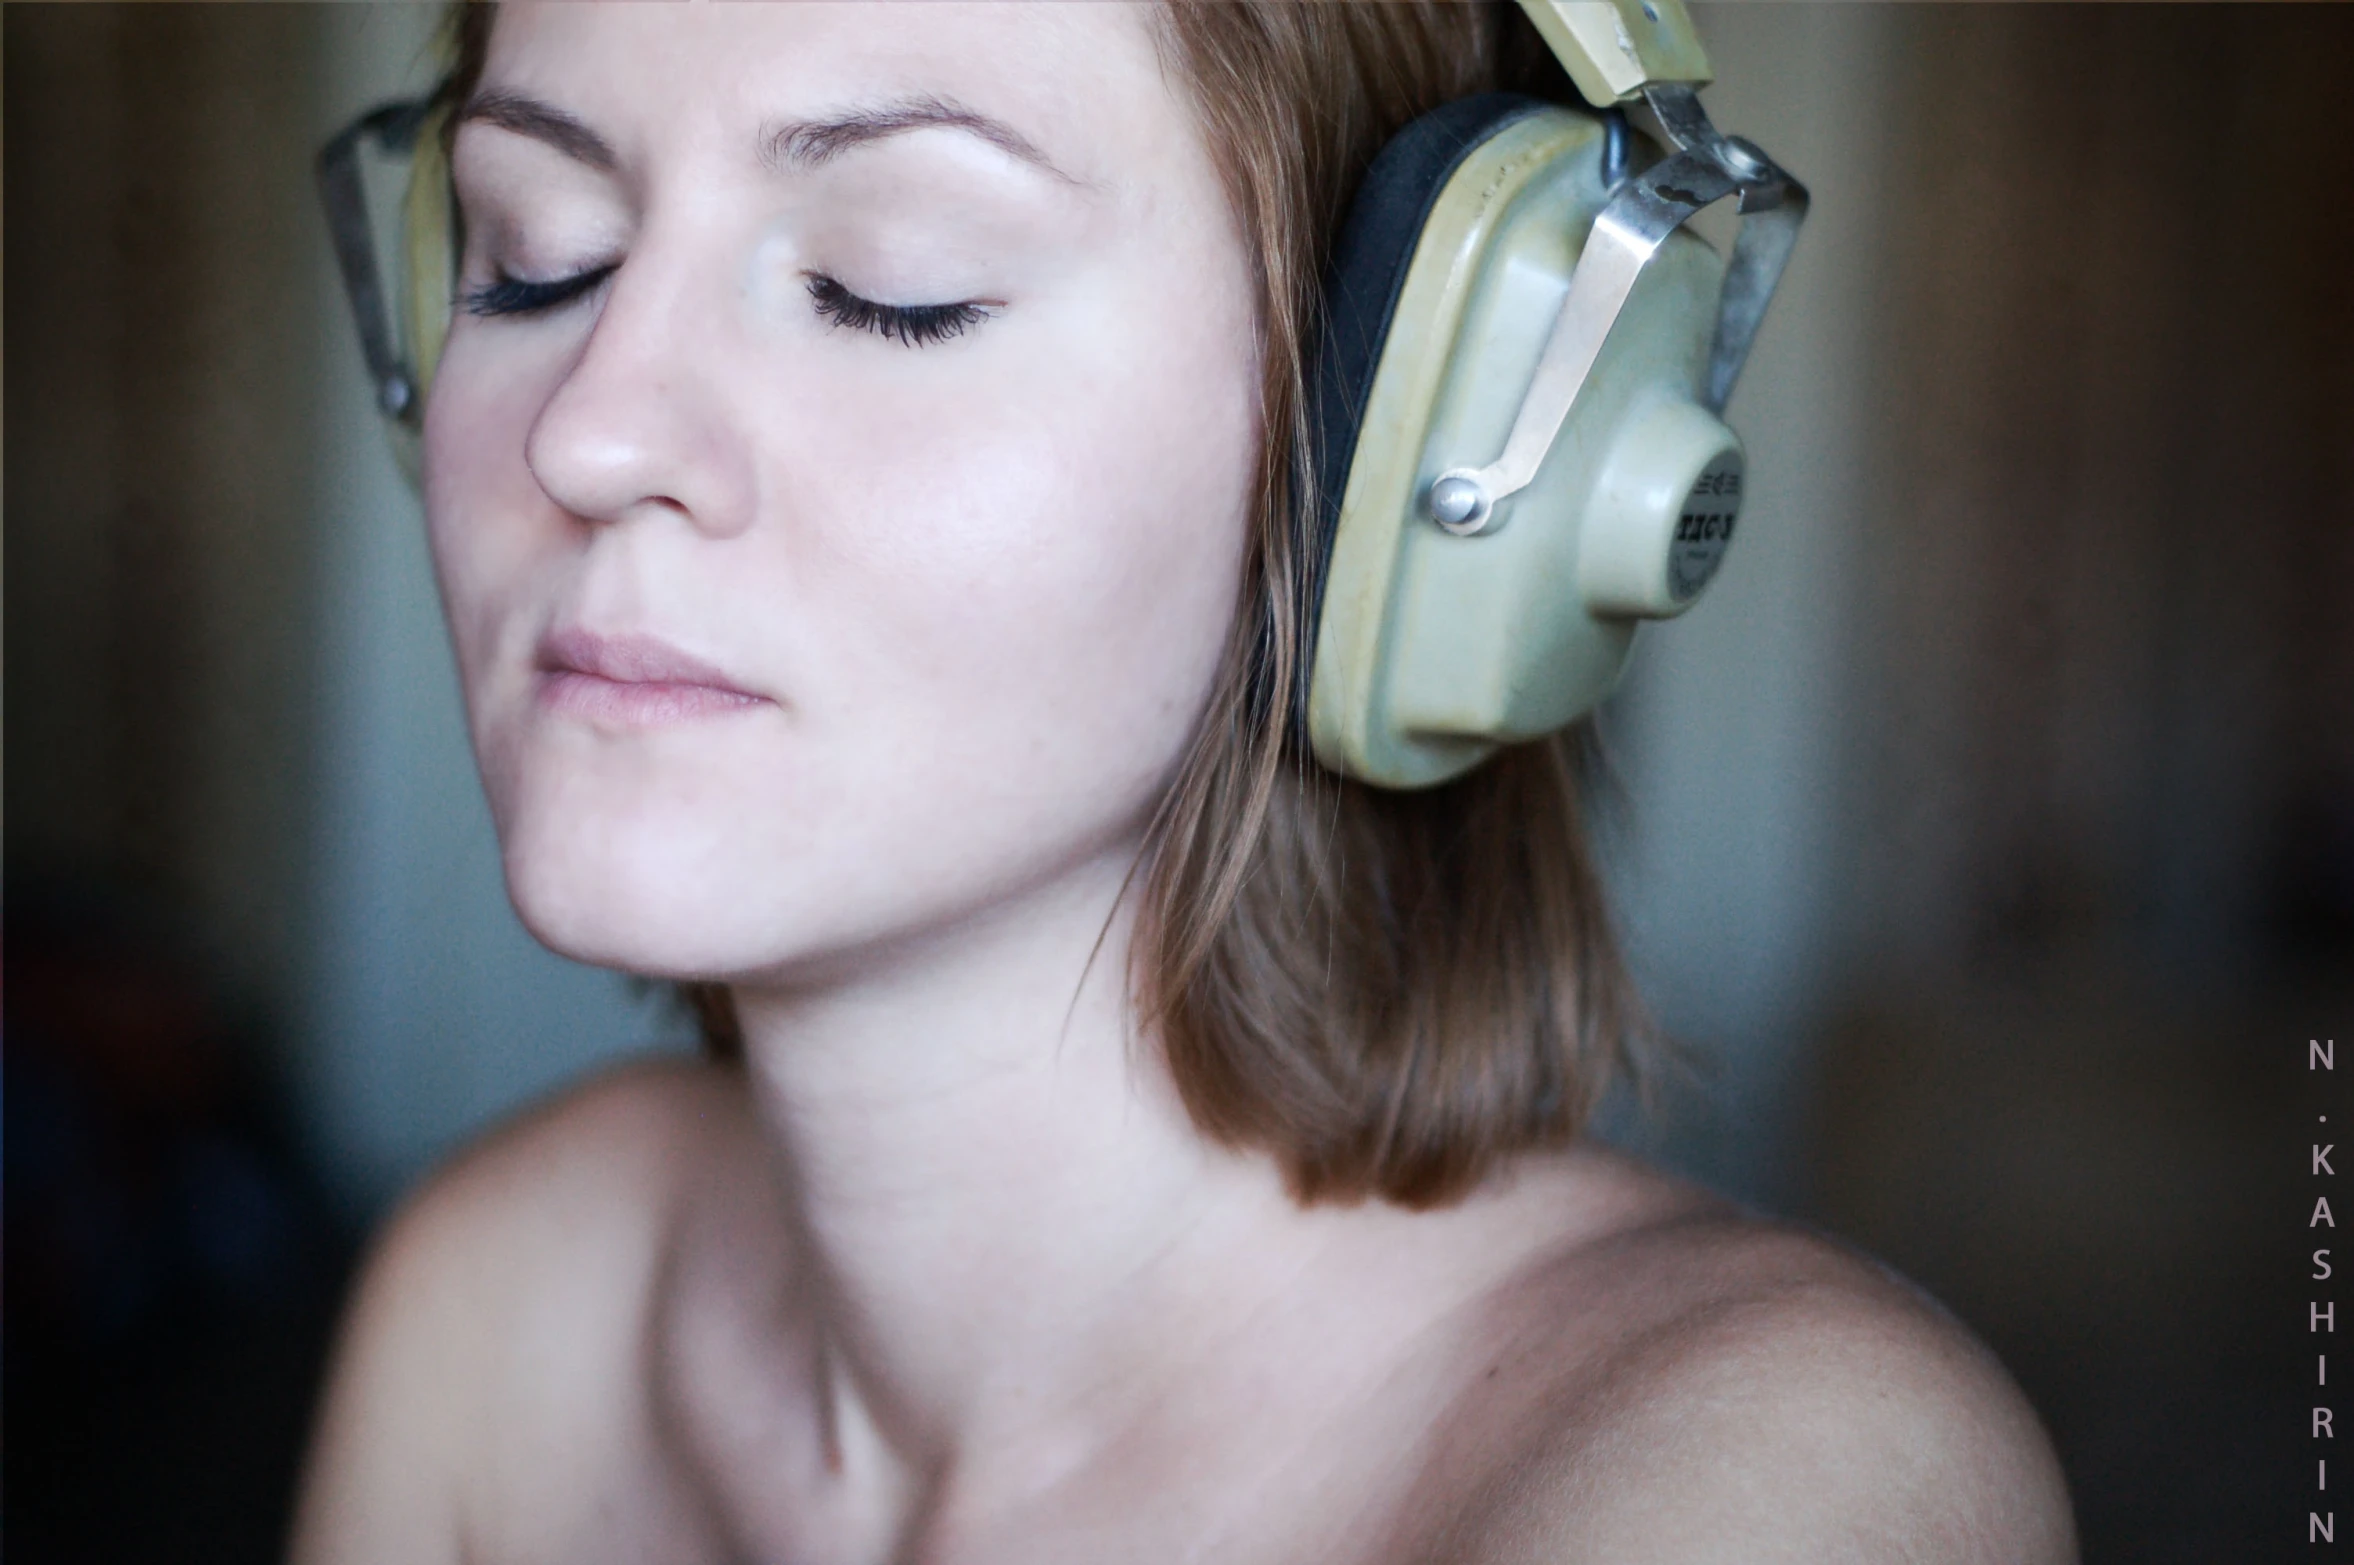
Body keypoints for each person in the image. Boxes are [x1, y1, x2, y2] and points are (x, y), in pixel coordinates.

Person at [291, 4, 2076, 1560]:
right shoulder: (493, 1309)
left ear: (1410, 432)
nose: (585, 432)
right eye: (535, 253)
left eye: (891, 285)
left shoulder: (1774, 1485)